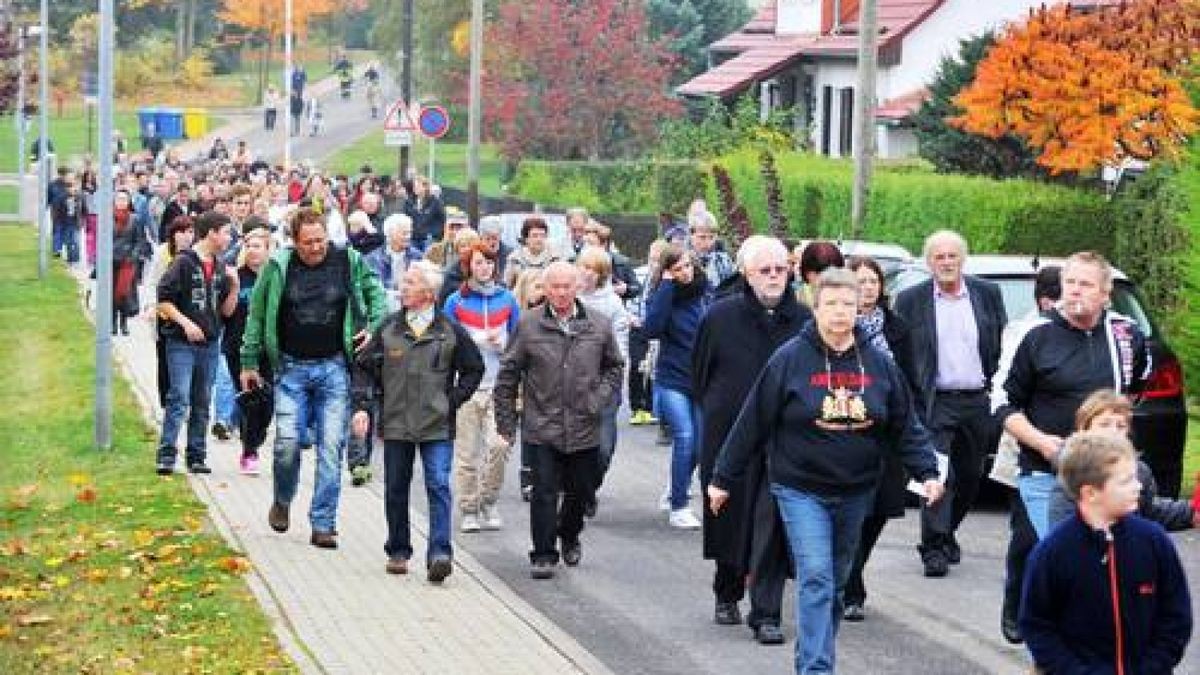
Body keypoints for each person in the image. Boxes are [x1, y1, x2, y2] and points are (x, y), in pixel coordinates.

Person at [708, 267, 945, 675]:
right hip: (800, 488)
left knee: (834, 584)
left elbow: (906, 424)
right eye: (831, 304)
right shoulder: (790, 359)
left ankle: (811, 657)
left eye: (848, 305)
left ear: (859, 309)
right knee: (815, 575)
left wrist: (927, 470)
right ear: (815, 308)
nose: (840, 312)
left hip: (855, 489)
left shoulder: (878, 364)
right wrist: (722, 478)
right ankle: (818, 669)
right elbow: (753, 420)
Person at [239, 207, 389, 550]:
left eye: (320, 240)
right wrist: (249, 361)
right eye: (308, 243)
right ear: (294, 241)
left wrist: (374, 327)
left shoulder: (347, 260)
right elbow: (257, 316)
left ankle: (324, 523)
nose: (316, 248)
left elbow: (376, 294)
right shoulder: (277, 267)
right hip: (291, 369)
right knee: (287, 445)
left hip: (334, 368)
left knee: (331, 448)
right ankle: (283, 498)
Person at [693, 236, 811, 644]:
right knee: (728, 514)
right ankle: (726, 590)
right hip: (728, 434)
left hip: (784, 439)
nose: (774, 277)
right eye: (765, 270)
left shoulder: (805, 321)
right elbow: (700, 375)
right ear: (746, 273)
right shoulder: (720, 317)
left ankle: (766, 613)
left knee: (773, 522)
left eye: (781, 269)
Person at [993, 251, 1150, 540]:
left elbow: (1133, 391)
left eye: (1086, 284)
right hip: (1047, 472)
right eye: (1070, 282)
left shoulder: (1126, 335)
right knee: (1065, 550)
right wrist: (1041, 443)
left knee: (1103, 557)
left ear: (1106, 293)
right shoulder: (1035, 334)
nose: (1075, 290)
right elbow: (1003, 402)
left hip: (1107, 472)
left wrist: (1112, 430)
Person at [350, 260, 484, 583]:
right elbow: (362, 367)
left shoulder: (449, 330)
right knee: (396, 488)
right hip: (396, 423)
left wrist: (451, 401)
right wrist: (363, 406)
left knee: (438, 484)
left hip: (437, 425)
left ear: (428, 292)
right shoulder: (388, 328)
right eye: (404, 282)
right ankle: (398, 549)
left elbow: (474, 368)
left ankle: (440, 553)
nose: (402, 288)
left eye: (410, 283)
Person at [1019, 431, 1192, 674]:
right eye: (1126, 481)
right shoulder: (1053, 552)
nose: (1138, 486)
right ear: (1090, 493)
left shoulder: (1154, 541)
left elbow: (1176, 615)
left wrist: (1153, 666)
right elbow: (1036, 624)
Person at [494, 261, 624, 579]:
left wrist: (598, 398)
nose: (562, 292)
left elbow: (614, 367)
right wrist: (506, 424)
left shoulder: (598, 324)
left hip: (584, 423)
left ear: (577, 287)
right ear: (546, 289)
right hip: (542, 424)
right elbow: (508, 376)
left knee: (580, 491)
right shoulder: (528, 325)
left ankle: (569, 534)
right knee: (544, 491)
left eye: (568, 286)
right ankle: (543, 552)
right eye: (555, 286)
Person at [893, 230, 1006, 578]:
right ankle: (933, 547)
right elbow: (903, 352)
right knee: (940, 474)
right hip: (935, 400)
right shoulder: (911, 300)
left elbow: (999, 341)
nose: (946, 263)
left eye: (952, 256)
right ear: (929, 263)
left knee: (971, 475)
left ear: (962, 260)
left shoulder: (987, 293)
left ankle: (948, 532)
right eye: (939, 257)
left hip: (976, 399)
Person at [841, 255, 912, 622]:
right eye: (860, 281)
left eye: (872, 281)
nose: (867, 288)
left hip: (888, 431)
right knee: (854, 510)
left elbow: (911, 377)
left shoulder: (896, 328)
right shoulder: (837, 327)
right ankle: (850, 586)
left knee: (879, 511)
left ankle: (853, 568)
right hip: (849, 429)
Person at [996, 265, 1062, 644]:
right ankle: (1015, 602)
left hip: (1080, 458)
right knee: (1028, 536)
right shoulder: (1023, 333)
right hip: (1028, 453)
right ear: (1045, 301)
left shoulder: (1106, 332)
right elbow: (1005, 394)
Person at [155, 212, 239, 475]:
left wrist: (234, 287)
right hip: (181, 343)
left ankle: (197, 455)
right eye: (226, 232)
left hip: (210, 344)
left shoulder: (222, 266)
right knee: (179, 395)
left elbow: (226, 312)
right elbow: (164, 300)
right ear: (212, 233)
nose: (229, 238)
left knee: (202, 400)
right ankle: (167, 453)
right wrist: (185, 323)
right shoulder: (183, 263)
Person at [444, 243, 520, 532]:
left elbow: (520, 339)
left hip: (499, 386)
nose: (484, 267)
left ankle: (488, 499)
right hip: (467, 386)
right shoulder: (455, 301)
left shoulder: (507, 299)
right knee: (467, 454)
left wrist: (505, 346)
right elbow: (445, 340)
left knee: (500, 445)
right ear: (468, 267)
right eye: (478, 263)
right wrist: (471, 342)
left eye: (489, 262)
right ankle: (468, 509)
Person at [644, 245, 711, 529]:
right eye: (677, 269)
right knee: (684, 435)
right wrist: (668, 287)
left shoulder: (705, 293)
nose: (685, 272)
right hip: (673, 378)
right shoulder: (664, 296)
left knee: (700, 443)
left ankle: (675, 485)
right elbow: (651, 328)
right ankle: (679, 505)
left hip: (703, 380)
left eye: (687, 266)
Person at [575, 246, 631, 516]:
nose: (585, 274)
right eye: (583, 267)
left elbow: (619, 348)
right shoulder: (569, 299)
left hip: (604, 385)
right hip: (571, 384)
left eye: (592, 270)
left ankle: (588, 487)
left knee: (603, 448)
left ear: (601, 275)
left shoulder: (612, 305)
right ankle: (577, 490)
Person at [222, 225, 274, 475]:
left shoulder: (275, 277)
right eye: (249, 246)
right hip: (237, 346)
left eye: (258, 246)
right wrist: (232, 286)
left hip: (269, 348)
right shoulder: (235, 275)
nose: (253, 251)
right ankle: (249, 450)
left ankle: (256, 435)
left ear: (268, 250)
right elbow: (226, 313)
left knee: (267, 401)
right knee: (249, 400)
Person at [512, 268, 546, 501]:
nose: (542, 292)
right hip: (525, 381)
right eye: (537, 287)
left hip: (548, 380)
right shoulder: (519, 317)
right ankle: (528, 475)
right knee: (529, 429)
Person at [503, 217, 560, 288]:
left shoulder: (554, 258)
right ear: (526, 238)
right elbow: (507, 285)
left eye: (542, 235)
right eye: (535, 236)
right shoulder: (515, 258)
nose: (539, 239)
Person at [688, 210, 736, 291]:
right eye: (702, 237)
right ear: (691, 235)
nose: (708, 243)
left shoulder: (723, 259)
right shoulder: (682, 262)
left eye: (712, 237)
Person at [406, 175, 445, 250]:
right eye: (414, 186)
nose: (415, 188)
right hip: (414, 237)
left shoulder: (435, 202)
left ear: (425, 187)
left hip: (429, 238)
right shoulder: (409, 202)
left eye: (417, 186)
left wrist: (436, 234)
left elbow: (443, 219)